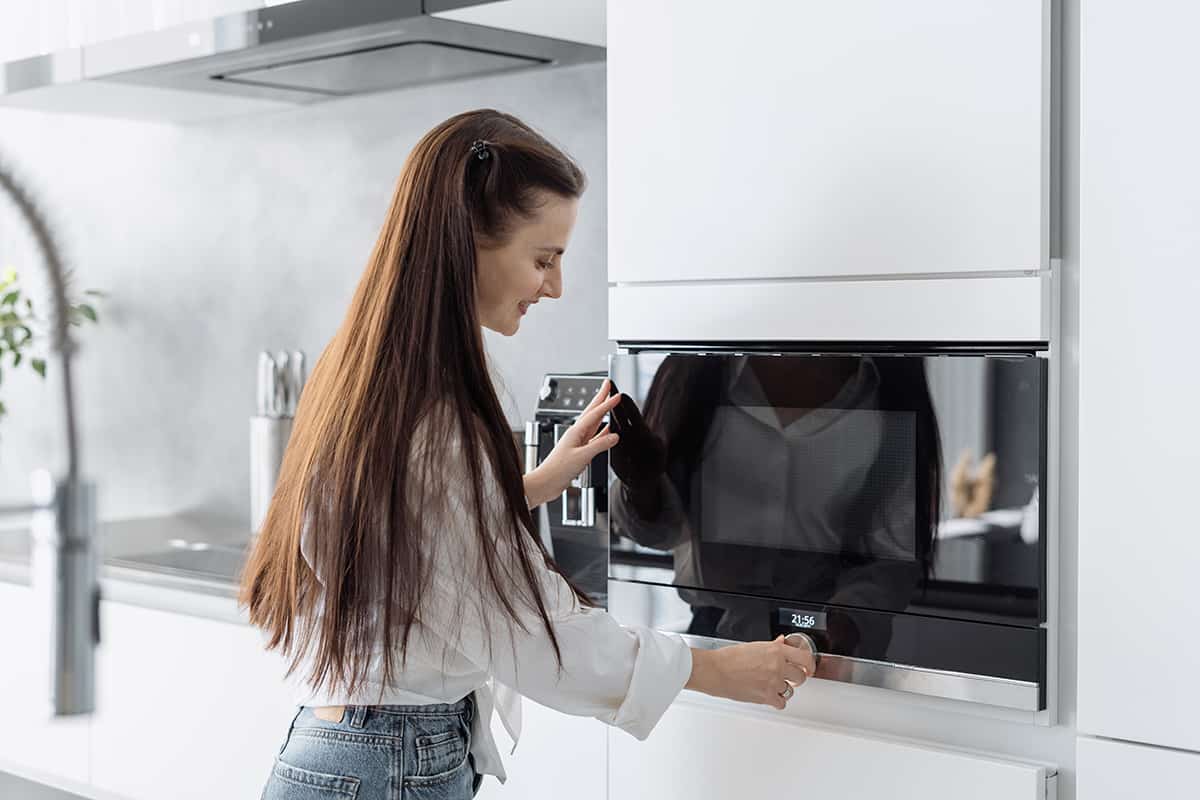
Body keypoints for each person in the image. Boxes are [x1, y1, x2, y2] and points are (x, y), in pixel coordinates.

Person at [240, 109, 815, 800]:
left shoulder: (364, 369)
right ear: (467, 243)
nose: (555, 286)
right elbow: (532, 629)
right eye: (543, 258)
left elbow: (413, 535)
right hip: (389, 760)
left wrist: (529, 485)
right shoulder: (439, 418)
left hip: (339, 747)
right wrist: (715, 670)